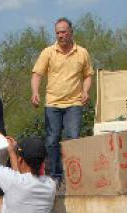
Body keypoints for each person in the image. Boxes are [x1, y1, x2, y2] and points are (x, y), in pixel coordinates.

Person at [31, 17, 94, 181]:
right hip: (53, 103)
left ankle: (74, 176)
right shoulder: (48, 53)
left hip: (74, 103)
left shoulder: (82, 53)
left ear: (71, 32)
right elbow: (37, 74)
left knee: (73, 138)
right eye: (58, 33)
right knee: (52, 140)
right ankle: (56, 175)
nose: (60, 35)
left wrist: (86, 91)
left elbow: (88, 75)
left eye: (64, 32)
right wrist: (35, 92)